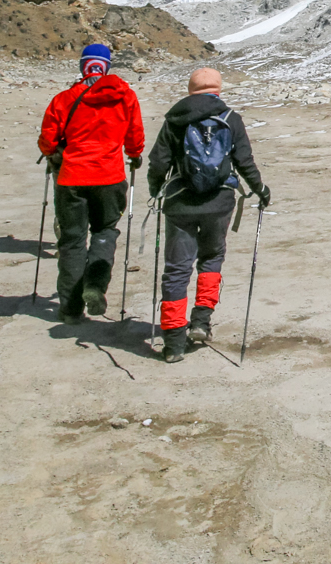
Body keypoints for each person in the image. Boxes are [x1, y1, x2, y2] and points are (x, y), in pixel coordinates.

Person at [148, 66, 270, 362]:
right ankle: (201, 320)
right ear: (218, 89)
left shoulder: (174, 119)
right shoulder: (231, 119)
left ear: (190, 89)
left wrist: (155, 190)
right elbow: (244, 161)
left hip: (180, 204)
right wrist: (261, 189)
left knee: (177, 269)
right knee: (211, 259)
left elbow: (158, 161)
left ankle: (174, 341)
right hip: (219, 202)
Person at [37, 43, 144, 323]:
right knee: (105, 232)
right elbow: (134, 136)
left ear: (83, 66)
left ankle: (70, 309)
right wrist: (134, 155)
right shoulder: (125, 96)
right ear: (106, 67)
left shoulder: (64, 98)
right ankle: (95, 285)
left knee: (72, 242)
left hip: (72, 177)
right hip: (109, 177)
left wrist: (52, 154)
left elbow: (48, 139)